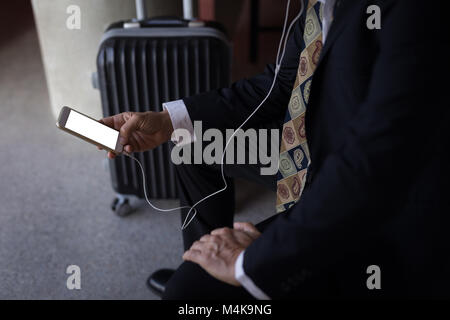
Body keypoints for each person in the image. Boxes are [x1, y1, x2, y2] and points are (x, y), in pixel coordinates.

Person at [100, 0, 449, 299]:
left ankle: (225, 282)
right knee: (192, 146)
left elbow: (374, 166)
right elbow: (280, 82)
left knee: (187, 293)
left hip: (369, 197)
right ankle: (206, 261)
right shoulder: (319, 5)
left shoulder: (412, 12)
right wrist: (167, 120)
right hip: (310, 147)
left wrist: (248, 264)